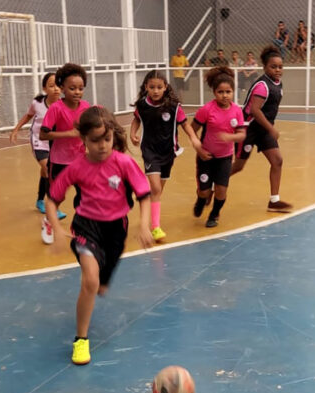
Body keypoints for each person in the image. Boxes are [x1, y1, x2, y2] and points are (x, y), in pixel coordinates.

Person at [45, 106, 153, 365]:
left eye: (107, 139)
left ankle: (102, 279)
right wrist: (57, 229)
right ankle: (81, 340)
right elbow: (52, 200)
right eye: (95, 140)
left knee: (102, 282)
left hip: (117, 229)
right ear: (83, 139)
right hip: (86, 226)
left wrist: (144, 225)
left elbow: (144, 195)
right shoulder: (76, 168)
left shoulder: (124, 162)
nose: (103, 146)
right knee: (91, 281)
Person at [129, 70, 202, 241]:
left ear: (165, 88)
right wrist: (133, 133)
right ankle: (155, 227)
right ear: (146, 87)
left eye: (159, 87)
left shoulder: (174, 107)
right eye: (152, 87)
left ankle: (147, 202)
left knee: (158, 190)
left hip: (168, 152)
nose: (155, 90)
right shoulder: (142, 105)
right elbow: (136, 119)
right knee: (155, 188)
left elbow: (185, 125)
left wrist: (193, 138)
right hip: (149, 151)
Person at [232, 45, 293, 212]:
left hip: (263, 130)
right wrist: (271, 129)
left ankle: (274, 200)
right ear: (265, 67)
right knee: (238, 166)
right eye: (273, 67)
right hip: (249, 129)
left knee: (277, 161)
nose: (278, 70)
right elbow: (254, 110)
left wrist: (268, 129)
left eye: (280, 67)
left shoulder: (278, 83)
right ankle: (216, 183)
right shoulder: (262, 86)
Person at [39, 63, 90, 244]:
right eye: (72, 88)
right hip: (60, 161)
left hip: (81, 161)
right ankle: (48, 221)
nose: (77, 92)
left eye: (80, 88)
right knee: (57, 198)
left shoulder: (85, 107)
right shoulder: (56, 109)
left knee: (85, 196)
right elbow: (43, 133)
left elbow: (88, 131)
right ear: (62, 88)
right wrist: (68, 134)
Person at [191, 67, 246, 228]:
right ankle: (201, 200)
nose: (225, 95)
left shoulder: (236, 111)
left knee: (221, 190)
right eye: (220, 92)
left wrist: (231, 137)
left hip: (225, 158)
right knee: (204, 191)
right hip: (206, 157)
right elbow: (191, 130)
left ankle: (214, 214)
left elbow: (242, 134)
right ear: (214, 92)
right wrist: (199, 149)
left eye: (228, 91)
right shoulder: (206, 110)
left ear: (233, 92)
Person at [10, 72, 62, 215]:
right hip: (38, 140)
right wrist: (16, 130)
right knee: (47, 168)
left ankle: (39, 200)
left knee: (45, 171)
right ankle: (52, 206)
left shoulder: (63, 105)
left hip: (53, 142)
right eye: (51, 86)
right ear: (45, 88)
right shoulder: (37, 103)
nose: (56, 89)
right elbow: (28, 116)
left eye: (58, 85)